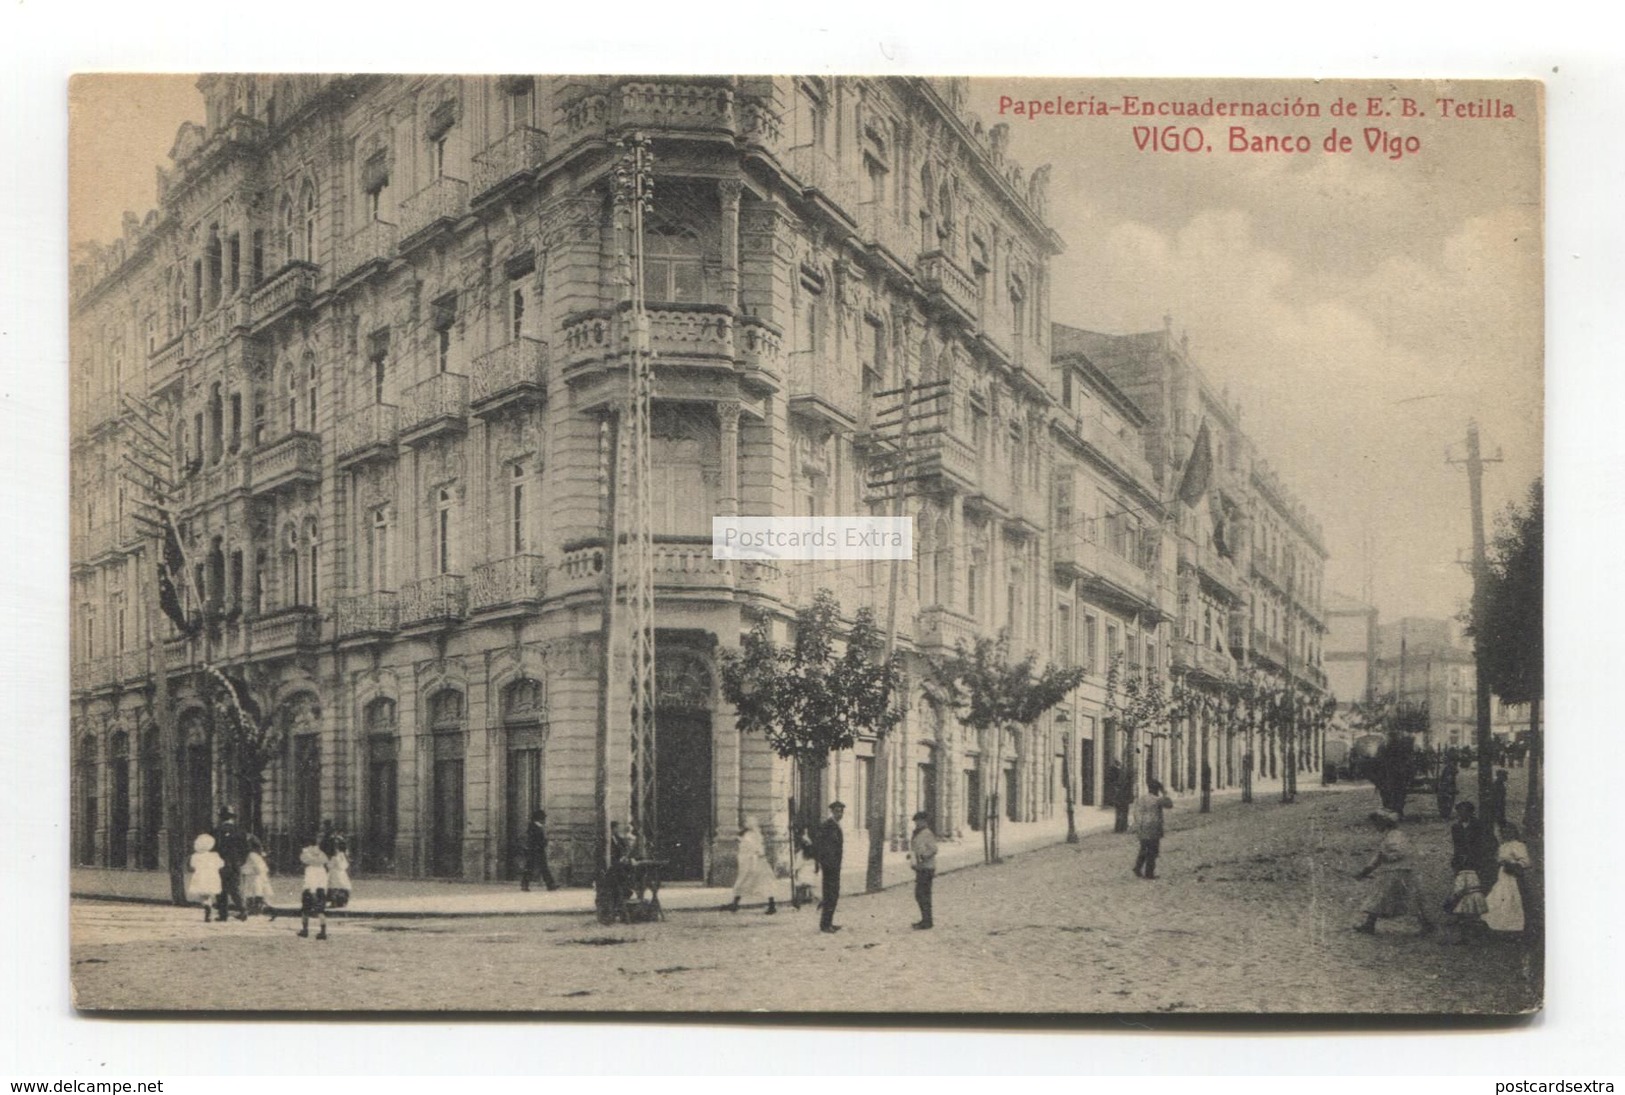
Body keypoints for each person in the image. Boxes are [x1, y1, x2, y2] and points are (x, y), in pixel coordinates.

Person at [1354, 810, 1434, 935]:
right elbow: (1379, 857)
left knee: (1386, 897)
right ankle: (1369, 925)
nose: (1376, 827)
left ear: (1384, 823)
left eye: (1377, 824)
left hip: (1398, 872)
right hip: (1394, 871)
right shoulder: (1390, 835)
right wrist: (1365, 871)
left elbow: (1397, 853)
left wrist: (1383, 858)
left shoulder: (1396, 836)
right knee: (1383, 897)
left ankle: (1427, 924)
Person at [799, 801, 846, 933]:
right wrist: (825, 862)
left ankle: (829, 922)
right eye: (837, 811)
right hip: (830, 866)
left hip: (835, 866)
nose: (840, 814)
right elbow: (821, 845)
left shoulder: (836, 825)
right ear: (832, 812)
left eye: (841, 811)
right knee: (830, 894)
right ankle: (825, 925)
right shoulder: (828, 826)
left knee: (834, 894)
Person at [1482, 822, 1533, 937]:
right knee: (1496, 899)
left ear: (1514, 832)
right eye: (1504, 832)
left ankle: (1513, 928)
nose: (1506, 834)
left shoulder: (1518, 845)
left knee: (1511, 900)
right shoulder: (1503, 846)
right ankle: (1500, 926)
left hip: (1512, 877)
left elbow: (1526, 861)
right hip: (1501, 875)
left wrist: (1513, 864)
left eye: (1509, 831)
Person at [725, 817, 776, 914]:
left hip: (756, 863)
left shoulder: (754, 835)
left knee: (763, 883)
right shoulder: (747, 834)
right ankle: (735, 904)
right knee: (743, 882)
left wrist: (756, 855)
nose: (745, 824)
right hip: (748, 863)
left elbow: (759, 850)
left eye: (747, 822)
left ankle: (771, 905)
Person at [1131, 779, 1175, 880]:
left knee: (1143, 848)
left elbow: (1136, 812)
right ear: (1157, 790)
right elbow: (1170, 805)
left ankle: (1137, 868)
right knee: (1153, 851)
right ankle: (1149, 873)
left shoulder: (1142, 798)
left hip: (1142, 826)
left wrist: (1138, 824)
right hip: (1153, 827)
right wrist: (1164, 793)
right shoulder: (1158, 800)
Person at [1451, 801, 1499, 889]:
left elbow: (1491, 841)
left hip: (1477, 860)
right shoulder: (1456, 827)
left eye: (1463, 812)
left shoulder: (1479, 825)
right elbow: (1457, 845)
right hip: (1462, 860)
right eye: (1459, 812)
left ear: (1470, 813)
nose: (1460, 815)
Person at [213, 807, 250, 922]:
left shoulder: (216, 830)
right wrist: (240, 861)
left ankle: (223, 914)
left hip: (221, 862)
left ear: (221, 818)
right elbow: (246, 848)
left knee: (221, 889)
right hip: (235, 863)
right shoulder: (240, 831)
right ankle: (243, 910)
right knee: (235, 888)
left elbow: (213, 848)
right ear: (232, 818)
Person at [908, 810, 938, 930]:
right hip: (921, 868)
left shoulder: (927, 833)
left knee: (922, 895)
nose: (917, 824)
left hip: (927, 867)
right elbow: (917, 848)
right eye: (916, 822)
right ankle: (925, 919)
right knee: (920, 895)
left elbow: (934, 849)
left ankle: (927, 921)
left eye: (919, 821)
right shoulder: (918, 833)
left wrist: (923, 856)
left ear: (924, 821)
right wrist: (912, 855)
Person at [1442, 867, 1489, 944]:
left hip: (1469, 898)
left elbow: (1459, 889)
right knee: (1475, 918)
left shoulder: (1461, 875)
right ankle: (1477, 937)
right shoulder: (1473, 874)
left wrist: (1452, 898)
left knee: (1464, 918)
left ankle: (1467, 938)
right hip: (1478, 897)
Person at [186, 833, 224, 922]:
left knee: (203, 895)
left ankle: (207, 907)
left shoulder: (195, 856)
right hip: (212, 876)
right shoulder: (214, 855)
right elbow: (221, 864)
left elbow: (192, 866)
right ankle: (209, 907)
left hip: (200, 876)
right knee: (209, 894)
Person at [298, 837, 329, 940]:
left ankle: (305, 930)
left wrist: (312, 892)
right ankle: (323, 931)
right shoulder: (322, 868)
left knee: (305, 911)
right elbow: (324, 881)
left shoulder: (310, 869)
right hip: (321, 890)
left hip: (310, 890)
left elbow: (310, 882)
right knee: (321, 911)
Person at [521, 809, 558, 893]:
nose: (544, 820)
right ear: (539, 818)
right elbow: (534, 840)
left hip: (535, 850)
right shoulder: (534, 827)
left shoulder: (535, 826)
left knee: (535, 868)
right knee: (537, 868)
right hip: (536, 851)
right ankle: (550, 885)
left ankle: (550, 885)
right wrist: (544, 842)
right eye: (543, 818)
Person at [240, 834, 274, 917]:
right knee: (256, 891)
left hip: (254, 876)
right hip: (256, 875)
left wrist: (244, 870)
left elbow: (258, 867)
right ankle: (257, 907)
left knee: (254, 891)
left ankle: (256, 908)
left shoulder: (252, 855)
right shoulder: (257, 854)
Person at [324, 834, 352, 910]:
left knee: (334, 886)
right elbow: (345, 864)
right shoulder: (342, 855)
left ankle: (335, 902)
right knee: (341, 885)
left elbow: (330, 865)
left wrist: (329, 863)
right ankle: (341, 901)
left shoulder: (335, 856)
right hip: (341, 873)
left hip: (335, 873)